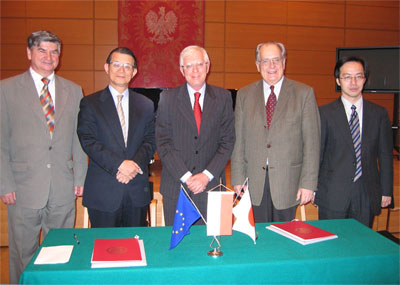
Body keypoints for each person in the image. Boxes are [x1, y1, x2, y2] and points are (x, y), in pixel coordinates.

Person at [0, 30, 88, 283]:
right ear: (29, 53)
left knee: (60, 250)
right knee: (22, 252)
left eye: (54, 52)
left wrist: (79, 176)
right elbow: (1, 141)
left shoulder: (73, 90)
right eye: (42, 50)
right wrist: (4, 183)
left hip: (62, 184)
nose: (49, 57)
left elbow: (77, 139)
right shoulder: (6, 90)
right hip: (22, 187)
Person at [231, 41, 320, 223]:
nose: (271, 66)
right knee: (258, 238)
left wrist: (308, 183)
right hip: (253, 182)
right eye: (265, 61)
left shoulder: (304, 94)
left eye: (276, 60)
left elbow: (312, 143)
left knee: (284, 239)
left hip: (289, 182)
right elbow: (238, 141)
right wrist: (238, 178)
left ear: (284, 62)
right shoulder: (244, 95)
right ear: (257, 65)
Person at [156, 45, 235, 226]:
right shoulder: (167, 99)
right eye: (189, 66)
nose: (195, 70)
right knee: (179, 248)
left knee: (213, 245)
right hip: (176, 188)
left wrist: (206, 175)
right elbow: (163, 142)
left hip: (212, 186)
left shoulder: (223, 97)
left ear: (207, 66)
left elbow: (227, 141)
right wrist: (186, 176)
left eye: (199, 64)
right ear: (182, 70)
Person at [77, 47, 155, 228]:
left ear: (134, 72)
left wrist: (133, 166)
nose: (122, 70)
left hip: (136, 190)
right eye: (117, 65)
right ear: (107, 67)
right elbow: (88, 140)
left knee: (135, 248)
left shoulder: (146, 105)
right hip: (104, 192)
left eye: (127, 66)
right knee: (103, 249)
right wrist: (120, 165)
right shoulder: (90, 103)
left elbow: (151, 140)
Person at [315, 57, 393, 227]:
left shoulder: (379, 114)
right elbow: (317, 154)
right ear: (338, 80)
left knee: (361, 245)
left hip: (366, 192)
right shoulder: (324, 113)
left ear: (365, 79)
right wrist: (314, 189)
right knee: (332, 246)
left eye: (358, 76)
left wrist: (386, 191)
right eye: (347, 77)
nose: (353, 82)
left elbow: (386, 155)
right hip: (332, 193)